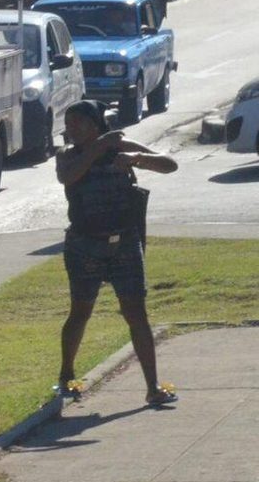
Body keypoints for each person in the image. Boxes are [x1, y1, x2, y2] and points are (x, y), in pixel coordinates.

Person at [55, 101, 179, 407]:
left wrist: (137, 158)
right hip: (84, 245)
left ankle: (153, 387)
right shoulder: (68, 155)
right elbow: (68, 177)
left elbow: (169, 164)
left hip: (124, 242)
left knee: (136, 312)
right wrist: (98, 147)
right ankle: (67, 376)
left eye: (79, 123)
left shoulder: (119, 146)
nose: (71, 129)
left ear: (96, 124)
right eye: (68, 124)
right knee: (80, 311)